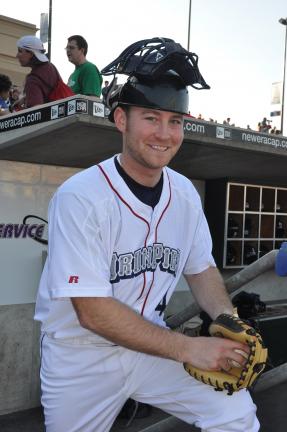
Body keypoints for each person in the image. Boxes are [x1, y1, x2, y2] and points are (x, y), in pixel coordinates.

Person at [35, 37, 259, 432]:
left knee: (235, 413)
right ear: (121, 120)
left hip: (152, 346)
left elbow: (202, 268)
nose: (165, 133)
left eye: (175, 121)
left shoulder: (184, 193)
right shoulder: (80, 197)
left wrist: (227, 317)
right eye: (151, 118)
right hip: (81, 357)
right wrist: (191, 348)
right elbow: (92, 312)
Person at [16, 35, 60, 108]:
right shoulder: (51, 67)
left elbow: (36, 113)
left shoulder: (32, 79)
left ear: (31, 54)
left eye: (20, 51)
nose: (17, 55)